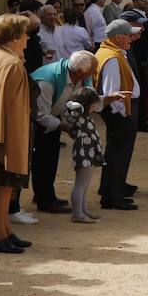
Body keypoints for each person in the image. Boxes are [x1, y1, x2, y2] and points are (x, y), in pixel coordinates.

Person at [0, 14, 36, 254]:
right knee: (1, 187)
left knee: (4, 187)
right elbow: (3, 103)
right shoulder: (11, 63)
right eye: (25, 33)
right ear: (15, 36)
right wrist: (2, 140)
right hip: (4, 135)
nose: (28, 37)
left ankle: (5, 231)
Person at [28, 51, 98, 214]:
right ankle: (45, 200)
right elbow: (39, 114)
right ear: (79, 72)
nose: (94, 73)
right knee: (42, 160)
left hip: (54, 115)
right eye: (92, 70)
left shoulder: (81, 77)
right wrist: (65, 127)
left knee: (51, 157)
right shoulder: (46, 81)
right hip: (36, 121)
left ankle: (45, 195)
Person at [96, 19, 142, 211]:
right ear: (117, 37)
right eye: (128, 34)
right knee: (119, 154)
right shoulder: (112, 57)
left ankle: (110, 191)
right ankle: (113, 196)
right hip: (121, 111)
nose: (132, 38)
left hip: (123, 110)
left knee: (117, 153)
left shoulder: (111, 53)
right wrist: (123, 114)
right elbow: (112, 91)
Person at [61, 87, 105, 223]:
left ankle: (83, 210)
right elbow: (74, 106)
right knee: (80, 185)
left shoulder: (84, 116)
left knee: (84, 184)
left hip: (89, 152)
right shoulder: (78, 114)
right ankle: (77, 214)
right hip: (84, 153)